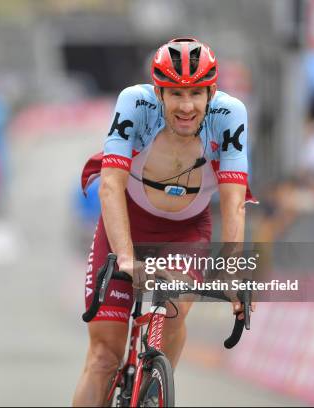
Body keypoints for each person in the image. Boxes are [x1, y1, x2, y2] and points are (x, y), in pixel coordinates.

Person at [73, 37, 256, 406]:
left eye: (195, 95)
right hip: (126, 224)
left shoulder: (230, 115)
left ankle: (152, 386)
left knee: (172, 313)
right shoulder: (134, 104)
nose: (186, 106)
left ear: (211, 93)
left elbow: (235, 202)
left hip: (185, 232)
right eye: (175, 94)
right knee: (104, 356)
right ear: (158, 93)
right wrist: (125, 258)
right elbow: (110, 186)